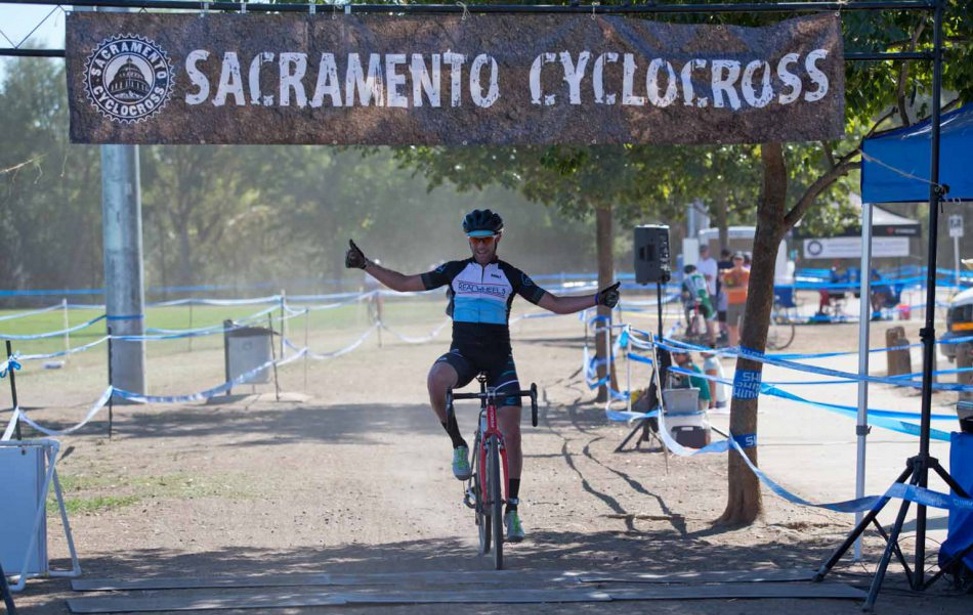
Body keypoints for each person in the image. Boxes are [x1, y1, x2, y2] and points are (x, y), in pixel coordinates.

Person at [344, 209, 620, 543]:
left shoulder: (511, 275)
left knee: (512, 431)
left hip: (500, 360)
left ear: (498, 238)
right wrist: (365, 265)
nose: (480, 246)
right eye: (474, 240)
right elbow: (404, 284)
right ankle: (459, 445)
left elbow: (555, 303)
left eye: (486, 239)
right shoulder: (455, 270)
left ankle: (513, 510)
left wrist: (597, 299)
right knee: (436, 380)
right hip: (464, 356)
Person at [680, 264, 716, 345]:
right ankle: (712, 343)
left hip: (694, 303)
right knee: (709, 323)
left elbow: (686, 294)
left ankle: (693, 334)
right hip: (706, 301)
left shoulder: (686, 280)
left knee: (691, 316)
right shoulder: (702, 277)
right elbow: (708, 290)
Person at [721, 252, 750, 346]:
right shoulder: (728, 273)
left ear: (743, 261)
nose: (738, 261)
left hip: (744, 302)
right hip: (731, 302)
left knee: (744, 327)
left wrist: (731, 289)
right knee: (732, 327)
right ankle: (733, 348)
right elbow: (723, 289)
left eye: (739, 259)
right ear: (733, 261)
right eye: (736, 259)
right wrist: (735, 289)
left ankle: (744, 347)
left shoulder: (746, 273)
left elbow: (744, 288)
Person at [700, 347, 728, 413]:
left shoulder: (710, 362)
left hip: (716, 401)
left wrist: (712, 402)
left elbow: (712, 383)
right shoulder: (713, 360)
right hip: (721, 399)